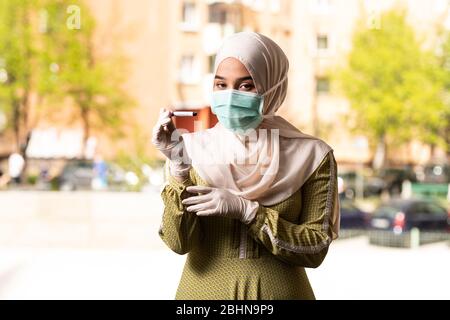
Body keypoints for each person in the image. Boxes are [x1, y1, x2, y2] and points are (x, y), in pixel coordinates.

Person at [152, 32, 340, 300]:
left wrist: (250, 213)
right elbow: (178, 243)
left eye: (245, 86)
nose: (230, 96)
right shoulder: (190, 150)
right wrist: (179, 167)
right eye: (221, 85)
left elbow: (315, 249)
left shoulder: (312, 155)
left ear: (272, 86)